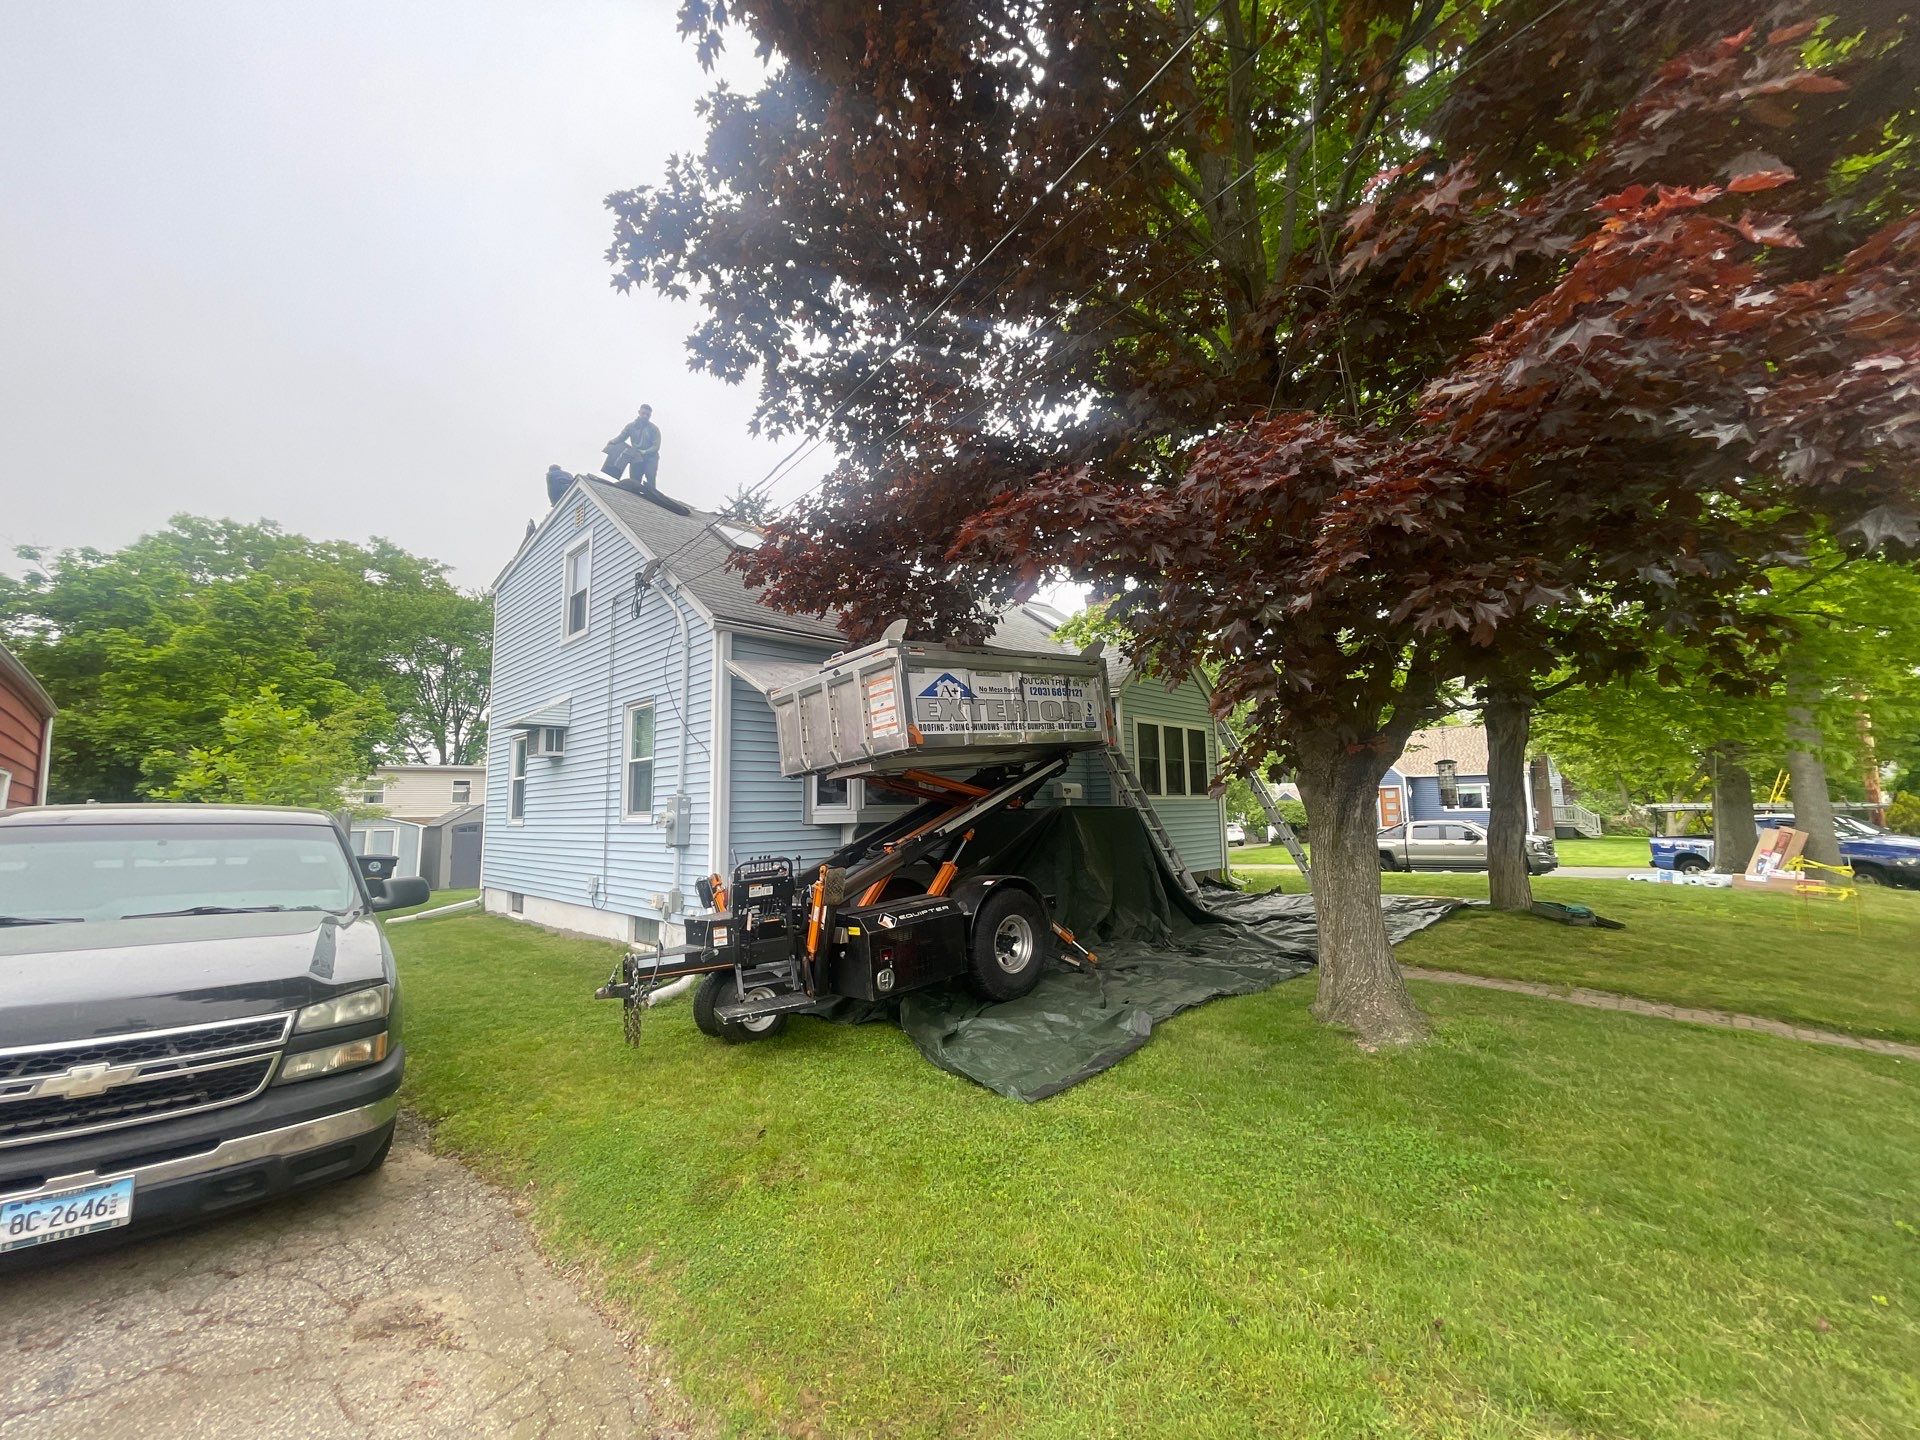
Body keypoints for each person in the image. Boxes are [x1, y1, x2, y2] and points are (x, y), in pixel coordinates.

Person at [604, 404, 661, 493]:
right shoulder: (631, 426)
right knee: (634, 480)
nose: (645, 416)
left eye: (648, 415)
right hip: (636, 456)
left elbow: (656, 446)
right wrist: (612, 442)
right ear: (639, 412)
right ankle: (634, 497)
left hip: (650, 457)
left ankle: (652, 496)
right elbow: (621, 437)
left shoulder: (654, 429)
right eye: (643, 413)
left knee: (650, 477)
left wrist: (645, 451)